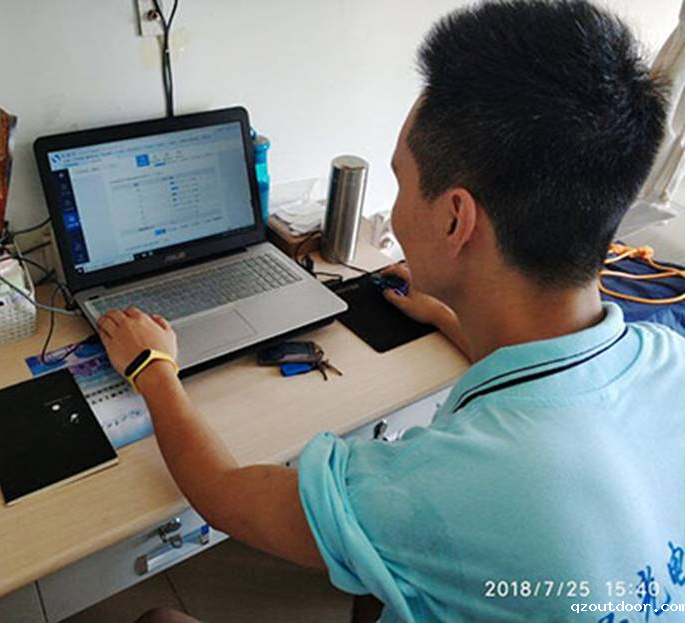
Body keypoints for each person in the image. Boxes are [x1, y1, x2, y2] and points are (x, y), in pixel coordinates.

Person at [97, 1, 685, 621]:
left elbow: (225, 497)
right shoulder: (670, 358)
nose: (396, 208)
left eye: (401, 182)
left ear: (456, 219)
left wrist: (152, 369)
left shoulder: (444, 485)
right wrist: (451, 316)